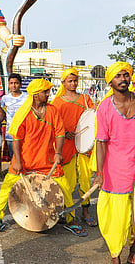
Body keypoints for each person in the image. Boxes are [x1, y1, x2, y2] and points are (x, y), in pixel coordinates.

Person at [0, 79, 85, 237]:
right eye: (45, 92)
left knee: (66, 188)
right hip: (24, 161)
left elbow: (60, 132)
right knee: (7, 186)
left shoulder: (52, 110)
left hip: (47, 160)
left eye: (48, 91)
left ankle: (71, 220)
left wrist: (58, 152)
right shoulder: (24, 112)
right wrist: (18, 161)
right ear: (35, 95)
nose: (48, 94)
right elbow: (17, 139)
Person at [92, 62, 135, 264]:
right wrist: (99, 173)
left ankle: (133, 252)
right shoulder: (105, 108)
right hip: (115, 170)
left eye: (126, 75)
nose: (123, 79)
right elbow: (101, 142)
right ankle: (115, 256)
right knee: (116, 218)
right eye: (118, 76)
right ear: (110, 81)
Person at [51, 68, 96, 226]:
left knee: (85, 180)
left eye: (75, 80)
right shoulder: (57, 102)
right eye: (69, 81)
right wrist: (65, 132)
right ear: (63, 83)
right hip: (67, 146)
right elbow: (55, 124)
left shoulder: (85, 99)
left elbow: (92, 119)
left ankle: (85, 212)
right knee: (67, 182)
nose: (73, 83)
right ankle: (67, 212)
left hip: (84, 146)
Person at [0, 73, 28, 160]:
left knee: (25, 156)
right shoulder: (5, 98)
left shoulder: (27, 97)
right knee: (13, 157)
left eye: (16, 83)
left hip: (25, 131)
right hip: (10, 132)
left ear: (20, 84)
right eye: (11, 83)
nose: (13, 85)